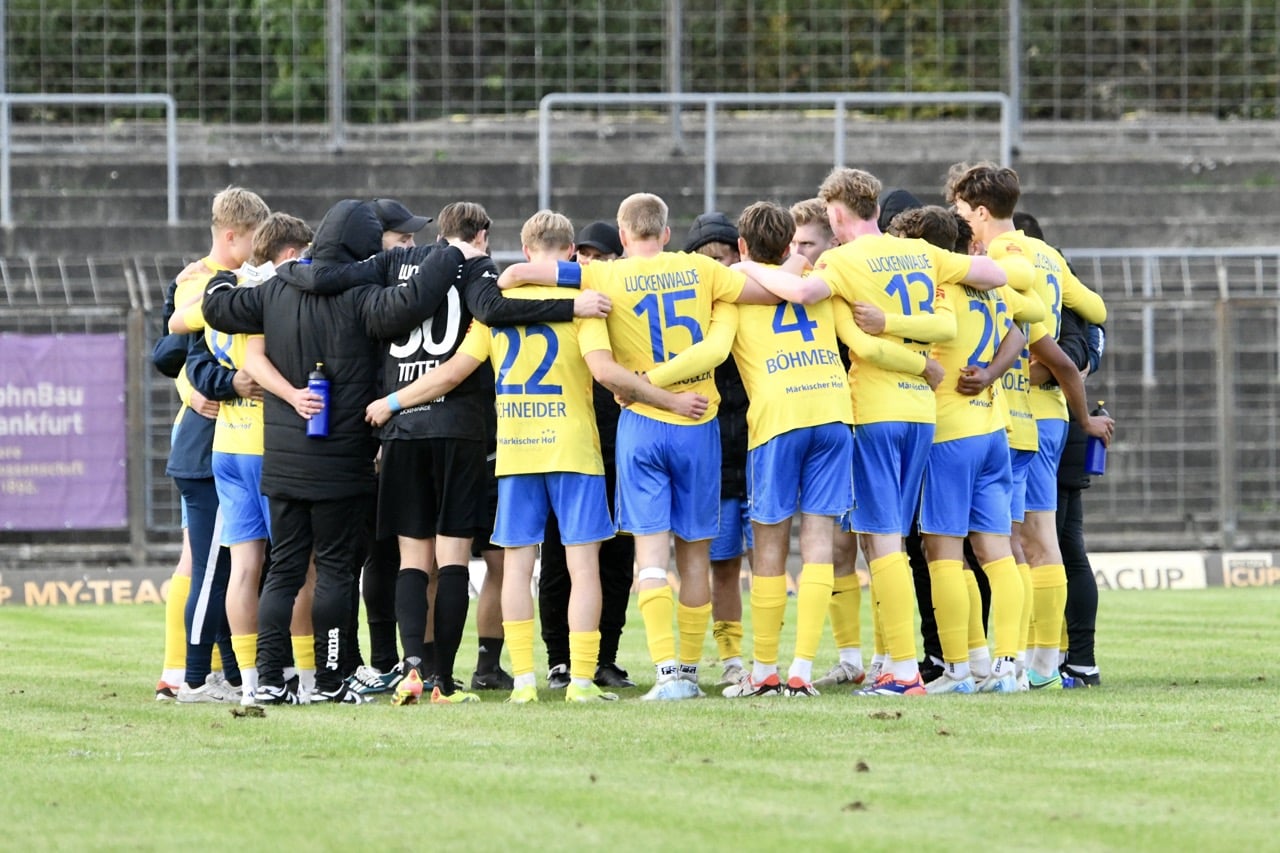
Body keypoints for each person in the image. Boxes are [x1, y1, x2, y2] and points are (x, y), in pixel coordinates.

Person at [369, 210, 708, 702]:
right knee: (583, 567)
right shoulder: (582, 305)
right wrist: (666, 400)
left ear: (526, 252)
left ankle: (524, 680)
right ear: (570, 254)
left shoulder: (496, 307)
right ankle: (582, 681)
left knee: (518, 565)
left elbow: (450, 375)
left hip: (517, 453)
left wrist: (391, 401)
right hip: (574, 449)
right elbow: (607, 373)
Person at [497, 192, 806, 700]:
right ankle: (688, 670)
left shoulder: (602, 276)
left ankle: (666, 674)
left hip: (640, 421)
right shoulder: (699, 270)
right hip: (697, 420)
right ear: (665, 232)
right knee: (696, 555)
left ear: (621, 236)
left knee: (651, 557)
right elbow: (774, 293)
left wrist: (641, 384)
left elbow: (515, 278)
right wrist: (797, 262)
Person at [201, 198, 475, 705]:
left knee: (282, 570)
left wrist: (225, 273)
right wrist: (452, 252)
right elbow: (414, 301)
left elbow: (216, 306)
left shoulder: (275, 289)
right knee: (333, 571)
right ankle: (329, 680)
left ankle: (267, 680)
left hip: (282, 459)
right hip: (342, 460)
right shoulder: (362, 295)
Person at [748, 168, 1006, 696]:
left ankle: (903, 669)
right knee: (890, 540)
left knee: (883, 540)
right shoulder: (918, 251)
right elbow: (993, 276)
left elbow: (800, 292)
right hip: (922, 414)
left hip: (876, 409)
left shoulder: (841, 260)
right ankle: (896, 657)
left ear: (837, 214)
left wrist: (748, 268)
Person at [722, 201, 936, 698]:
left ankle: (765, 671)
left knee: (771, 549)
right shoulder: (823, 283)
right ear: (791, 245)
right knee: (820, 546)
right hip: (833, 413)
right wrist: (922, 366)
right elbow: (861, 342)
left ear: (742, 246)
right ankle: (800, 670)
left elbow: (714, 351)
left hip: (779, 418)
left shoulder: (734, 288)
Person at [947, 163, 1110, 690]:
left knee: (1010, 542)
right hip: (1053, 413)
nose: (959, 223)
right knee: (1043, 541)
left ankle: (1014, 662)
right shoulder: (1049, 256)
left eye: (959, 212)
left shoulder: (998, 259)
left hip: (1020, 413)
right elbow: (1097, 309)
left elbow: (1042, 345)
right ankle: (1042, 663)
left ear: (978, 211)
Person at [883, 205, 1027, 695]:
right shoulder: (986, 285)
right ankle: (1005, 666)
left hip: (949, 432)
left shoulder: (937, 292)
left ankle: (959, 669)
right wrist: (989, 373)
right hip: (992, 429)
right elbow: (1018, 332)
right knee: (995, 552)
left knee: (942, 551)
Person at [196, 213, 317, 704]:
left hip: (227, 440)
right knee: (298, 566)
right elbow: (254, 362)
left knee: (245, 568)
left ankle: (248, 682)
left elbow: (188, 326)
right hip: (267, 445)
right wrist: (292, 395)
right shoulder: (271, 294)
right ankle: (304, 679)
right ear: (288, 252)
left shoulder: (220, 289)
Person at [164, 186, 270, 702]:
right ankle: (188, 674)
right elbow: (173, 350)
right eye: (255, 239)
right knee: (205, 566)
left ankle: (228, 674)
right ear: (232, 236)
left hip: (231, 440)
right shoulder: (199, 285)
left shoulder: (241, 279)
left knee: (229, 567)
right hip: (206, 444)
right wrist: (201, 388)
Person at [538, 218, 635, 690]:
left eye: (603, 256)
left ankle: (605, 656)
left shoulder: (625, 301)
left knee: (617, 556)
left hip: (618, 443)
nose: (591, 264)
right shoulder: (567, 301)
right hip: (571, 441)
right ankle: (560, 658)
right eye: (586, 255)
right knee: (560, 555)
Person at [683, 212, 749, 687]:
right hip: (714, 459)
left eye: (723, 260)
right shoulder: (685, 320)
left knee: (758, 563)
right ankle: (720, 659)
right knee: (719, 564)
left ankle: (750, 662)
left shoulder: (756, 301)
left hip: (762, 448)